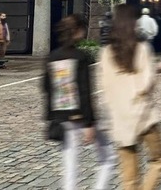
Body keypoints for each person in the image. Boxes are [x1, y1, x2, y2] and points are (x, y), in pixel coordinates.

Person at [42, 14, 116, 190]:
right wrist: (89, 122)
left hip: (61, 117)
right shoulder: (80, 56)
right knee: (108, 158)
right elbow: (84, 91)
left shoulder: (53, 57)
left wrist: (52, 116)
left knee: (70, 167)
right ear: (77, 31)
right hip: (81, 116)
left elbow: (46, 87)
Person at [100, 4, 161, 190]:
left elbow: (105, 87)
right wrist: (157, 69)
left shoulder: (107, 52)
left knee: (129, 178)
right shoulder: (141, 48)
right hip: (143, 115)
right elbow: (145, 83)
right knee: (159, 160)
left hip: (120, 117)